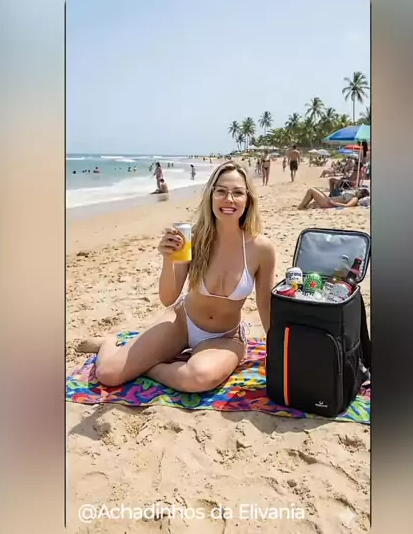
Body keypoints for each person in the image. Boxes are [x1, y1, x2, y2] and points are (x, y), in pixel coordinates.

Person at [90, 162, 276, 393]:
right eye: (221, 191)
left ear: (248, 199)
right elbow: (168, 298)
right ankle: (109, 342)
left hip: (225, 337)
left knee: (197, 378)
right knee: (108, 374)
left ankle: (150, 367)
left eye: (237, 192)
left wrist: (276, 350)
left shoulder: (261, 249)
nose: (229, 199)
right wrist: (168, 259)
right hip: (182, 322)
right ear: (210, 195)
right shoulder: (193, 238)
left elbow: (265, 305)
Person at [298, 186, 370, 210]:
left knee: (311, 190)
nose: (358, 190)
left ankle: (301, 207)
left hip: (328, 203)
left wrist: (334, 203)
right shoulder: (353, 196)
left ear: (361, 194)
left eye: (359, 190)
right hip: (328, 200)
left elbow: (347, 206)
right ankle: (302, 206)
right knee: (314, 189)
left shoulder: (355, 199)